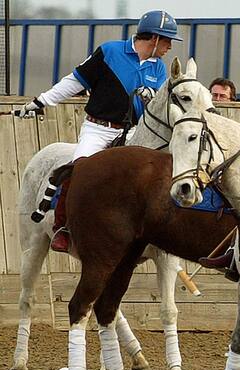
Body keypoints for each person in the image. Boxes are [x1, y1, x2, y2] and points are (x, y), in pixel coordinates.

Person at [19, 10, 182, 252]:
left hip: (132, 131)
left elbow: (157, 108)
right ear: (154, 38)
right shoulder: (110, 52)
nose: (170, 46)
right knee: (79, 169)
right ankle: (63, 227)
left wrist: (152, 99)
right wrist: (41, 101)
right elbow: (75, 81)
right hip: (98, 129)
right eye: (167, 40)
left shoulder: (158, 68)